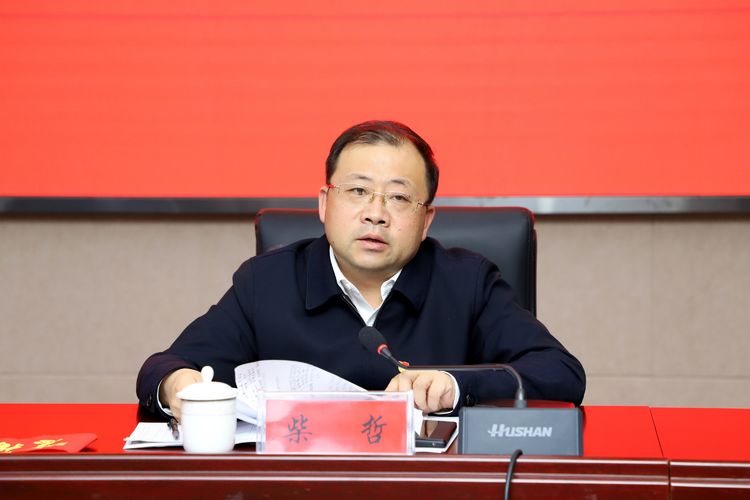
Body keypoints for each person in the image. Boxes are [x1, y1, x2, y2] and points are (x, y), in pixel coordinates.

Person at [137, 120, 585, 420]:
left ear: (426, 219)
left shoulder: (467, 283)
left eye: (399, 197)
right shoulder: (267, 282)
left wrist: (454, 385)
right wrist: (177, 385)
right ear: (324, 203)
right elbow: (165, 367)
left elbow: (561, 372)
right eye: (357, 191)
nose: (375, 213)